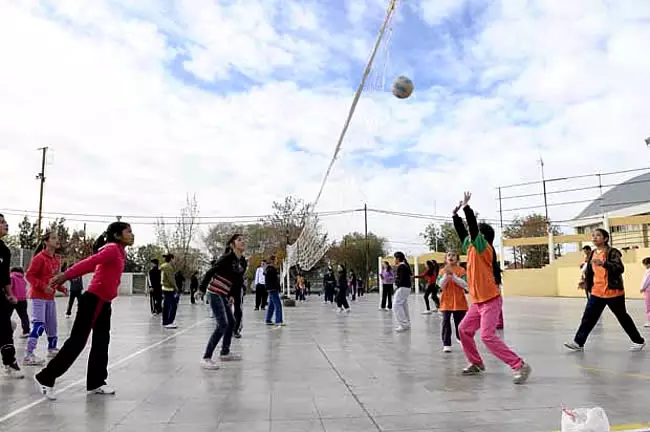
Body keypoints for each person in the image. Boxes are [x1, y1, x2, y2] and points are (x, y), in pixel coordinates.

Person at [34, 221, 134, 399]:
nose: (132, 234)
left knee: (102, 342)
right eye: (128, 231)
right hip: (93, 300)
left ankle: (96, 383)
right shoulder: (111, 248)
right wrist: (65, 276)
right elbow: (90, 263)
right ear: (118, 235)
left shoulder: (120, 251)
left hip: (104, 303)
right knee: (78, 341)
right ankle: (45, 377)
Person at [453, 192, 531, 384]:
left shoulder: (483, 247)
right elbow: (464, 233)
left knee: (488, 336)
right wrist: (455, 216)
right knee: (463, 330)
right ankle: (476, 363)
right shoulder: (471, 247)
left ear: (483, 236)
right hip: (478, 303)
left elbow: (471, 229)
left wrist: (467, 208)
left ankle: (520, 365)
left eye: (477, 232)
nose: (472, 235)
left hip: (490, 301)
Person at [564, 228, 646, 352]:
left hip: (613, 292)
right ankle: (578, 342)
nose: (594, 237)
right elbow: (591, 272)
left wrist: (603, 263)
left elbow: (619, 268)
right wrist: (585, 282)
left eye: (598, 235)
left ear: (605, 239)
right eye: (593, 236)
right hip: (597, 292)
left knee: (622, 317)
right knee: (588, 317)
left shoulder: (613, 252)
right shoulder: (592, 253)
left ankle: (638, 341)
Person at [198, 234, 246, 370]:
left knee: (232, 322)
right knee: (222, 324)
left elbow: (237, 282)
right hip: (214, 292)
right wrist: (201, 289)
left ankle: (225, 352)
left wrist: (232, 296)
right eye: (239, 240)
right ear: (232, 244)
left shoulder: (242, 262)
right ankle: (206, 358)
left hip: (224, 294)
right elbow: (210, 272)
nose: (243, 242)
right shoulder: (227, 258)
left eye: (243, 240)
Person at [24, 231, 68, 366]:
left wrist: (61, 288)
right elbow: (29, 276)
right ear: (46, 242)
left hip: (50, 298)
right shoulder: (39, 258)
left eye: (57, 238)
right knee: (39, 324)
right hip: (38, 297)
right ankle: (29, 354)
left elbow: (53, 279)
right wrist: (43, 287)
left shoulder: (56, 259)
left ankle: (52, 348)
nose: (57, 240)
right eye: (53, 238)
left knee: (52, 324)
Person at [0, 214, 24, 379]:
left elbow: (4, 276)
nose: (6, 224)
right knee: (4, 327)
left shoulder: (4, 250)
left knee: (5, 328)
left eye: (5, 221)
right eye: (1, 222)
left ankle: (9, 361)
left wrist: (10, 294)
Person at [437, 252, 468, 352]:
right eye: (449, 255)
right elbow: (440, 285)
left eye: (454, 255)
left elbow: (464, 284)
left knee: (460, 323)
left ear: (457, 259)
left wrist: (453, 276)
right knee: (446, 322)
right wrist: (446, 276)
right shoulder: (442, 271)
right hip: (446, 300)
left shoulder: (462, 270)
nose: (451, 257)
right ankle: (446, 344)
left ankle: (461, 339)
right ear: (445, 259)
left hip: (459, 301)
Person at [393, 252, 412, 332]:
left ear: (397, 258)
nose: (394, 260)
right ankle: (406, 322)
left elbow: (401, 279)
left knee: (396, 305)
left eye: (394, 258)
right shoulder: (405, 266)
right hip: (406, 288)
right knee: (403, 304)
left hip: (403, 287)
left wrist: (396, 284)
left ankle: (403, 324)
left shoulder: (401, 266)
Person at [10, 267, 30, 338]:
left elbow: (9, 287)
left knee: (6, 316)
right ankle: (26, 331)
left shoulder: (11, 277)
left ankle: (7, 331)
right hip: (23, 300)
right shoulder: (23, 279)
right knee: (24, 316)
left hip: (13, 299)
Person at [265, 255, 284, 327]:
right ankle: (278, 320)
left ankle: (268, 319)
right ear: (273, 261)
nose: (277, 261)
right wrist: (276, 288)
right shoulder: (271, 269)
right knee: (278, 305)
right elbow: (273, 281)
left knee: (271, 305)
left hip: (271, 289)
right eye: (276, 260)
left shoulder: (269, 269)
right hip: (273, 289)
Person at [161, 254, 179, 329]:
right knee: (173, 306)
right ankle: (168, 322)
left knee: (166, 305)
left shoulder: (164, 266)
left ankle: (165, 321)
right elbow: (171, 279)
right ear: (171, 259)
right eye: (174, 259)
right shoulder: (168, 267)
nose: (174, 261)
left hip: (165, 287)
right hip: (169, 288)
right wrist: (176, 288)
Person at [232, 255, 247, 338]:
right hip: (227, 288)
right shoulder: (227, 258)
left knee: (238, 310)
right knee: (226, 310)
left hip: (237, 287)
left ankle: (236, 329)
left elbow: (241, 271)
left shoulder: (242, 260)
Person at [641, 257, 650, 328]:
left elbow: (646, 281)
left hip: (648, 290)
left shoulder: (648, 272)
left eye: (645, 264)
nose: (645, 266)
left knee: (648, 306)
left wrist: (642, 288)